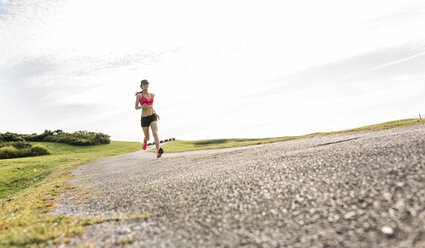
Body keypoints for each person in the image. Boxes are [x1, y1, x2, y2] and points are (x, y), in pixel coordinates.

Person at [135, 79, 164, 158]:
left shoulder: (152, 95)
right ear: (141, 86)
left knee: (155, 133)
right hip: (144, 118)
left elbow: (151, 106)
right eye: (144, 84)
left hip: (152, 116)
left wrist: (155, 113)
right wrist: (141, 106)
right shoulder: (139, 96)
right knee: (147, 137)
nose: (145, 85)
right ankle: (145, 141)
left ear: (148, 85)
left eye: (147, 83)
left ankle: (158, 151)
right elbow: (136, 107)